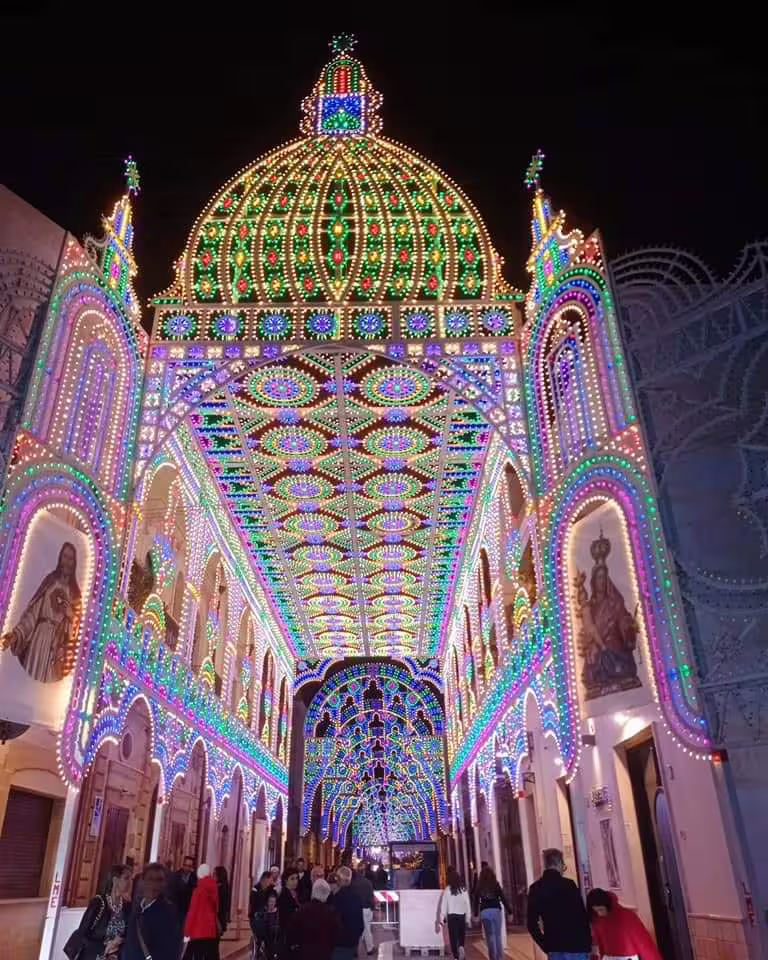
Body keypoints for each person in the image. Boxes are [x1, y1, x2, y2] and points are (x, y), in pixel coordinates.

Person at [2, 541, 82, 681]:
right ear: (60, 559)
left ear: (74, 563)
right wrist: (16, 635)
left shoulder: (75, 594)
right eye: (65, 557)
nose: (67, 562)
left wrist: (71, 616)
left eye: (71, 558)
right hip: (38, 639)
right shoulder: (50, 581)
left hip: (55, 646)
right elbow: (33, 613)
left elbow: (78, 634)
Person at [526, 849, 591, 960]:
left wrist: (545, 944)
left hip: (554, 946)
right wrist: (588, 942)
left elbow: (531, 923)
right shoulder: (569, 885)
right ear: (558, 863)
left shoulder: (536, 888)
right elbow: (582, 916)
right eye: (563, 865)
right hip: (577, 944)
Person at [67, 864, 132, 960]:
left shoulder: (127, 906)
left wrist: (119, 943)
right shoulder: (99, 903)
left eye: (131, 879)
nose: (130, 882)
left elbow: (127, 933)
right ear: (115, 880)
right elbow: (82, 934)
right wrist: (105, 947)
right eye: (126, 878)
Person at [124, 862, 182, 960]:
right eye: (150, 879)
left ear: (165, 883)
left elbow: (171, 950)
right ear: (142, 880)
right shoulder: (136, 909)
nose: (154, 884)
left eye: (159, 880)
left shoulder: (168, 912)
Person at [587, 888, 663, 960]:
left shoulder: (626, 916)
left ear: (607, 904)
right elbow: (599, 946)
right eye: (596, 911)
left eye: (601, 909)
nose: (599, 913)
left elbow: (644, 944)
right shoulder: (597, 920)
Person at [288, 878, 340, 960]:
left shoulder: (302, 911)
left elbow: (292, 932)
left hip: (304, 954)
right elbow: (335, 936)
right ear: (327, 894)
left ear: (313, 891)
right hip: (324, 954)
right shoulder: (331, 913)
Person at [472, 864, 512, 960]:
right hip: (496, 910)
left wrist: (476, 914)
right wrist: (510, 911)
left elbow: (476, 900)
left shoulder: (479, 885)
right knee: (498, 936)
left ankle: (492, 958)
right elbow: (503, 898)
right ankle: (500, 958)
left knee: (490, 937)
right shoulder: (495, 884)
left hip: (485, 912)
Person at [183, 864, 220, 960]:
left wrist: (187, 931)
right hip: (209, 930)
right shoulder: (214, 888)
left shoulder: (198, 890)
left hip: (198, 929)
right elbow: (215, 908)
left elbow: (193, 911)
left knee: (196, 956)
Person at [330, 865, 364, 960]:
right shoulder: (356, 896)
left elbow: (336, 920)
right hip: (353, 940)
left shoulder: (339, 897)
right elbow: (360, 920)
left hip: (341, 942)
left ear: (340, 879)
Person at [438, 866, 471, 960]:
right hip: (461, 915)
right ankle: (461, 946)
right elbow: (467, 904)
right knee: (461, 934)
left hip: (451, 916)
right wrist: (468, 918)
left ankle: (456, 956)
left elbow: (443, 906)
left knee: (453, 937)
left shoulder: (447, 890)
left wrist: (441, 919)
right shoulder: (463, 890)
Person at [351, 861, 376, 956]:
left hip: (356, 908)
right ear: (364, 872)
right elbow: (370, 897)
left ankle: (355, 949)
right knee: (367, 929)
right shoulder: (367, 883)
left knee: (356, 929)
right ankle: (369, 948)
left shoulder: (353, 883)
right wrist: (372, 907)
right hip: (366, 908)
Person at [249, 871, 274, 953]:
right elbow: (253, 902)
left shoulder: (271, 889)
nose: (272, 881)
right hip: (257, 916)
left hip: (268, 916)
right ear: (265, 879)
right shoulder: (255, 888)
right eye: (270, 879)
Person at [169, 855, 198, 927]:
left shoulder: (194, 879)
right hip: (176, 910)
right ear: (183, 865)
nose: (187, 868)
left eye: (189, 866)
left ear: (192, 867)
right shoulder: (175, 876)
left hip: (187, 911)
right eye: (186, 865)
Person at [278, 868, 301, 949]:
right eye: (292, 879)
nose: (295, 881)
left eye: (297, 878)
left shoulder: (294, 893)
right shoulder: (284, 895)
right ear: (285, 880)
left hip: (294, 932)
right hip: (287, 934)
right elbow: (286, 918)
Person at [256, 890, 281, 960]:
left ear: (275, 903)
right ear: (267, 902)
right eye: (270, 902)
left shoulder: (278, 913)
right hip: (265, 937)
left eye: (273, 902)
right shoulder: (263, 912)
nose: (271, 904)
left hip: (275, 937)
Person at [213, 866, 230, 941]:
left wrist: (218, 923)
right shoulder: (224, 888)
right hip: (217, 921)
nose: (212, 875)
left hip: (216, 921)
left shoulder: (220, 890)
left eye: (214, 874)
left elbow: (220, 908)